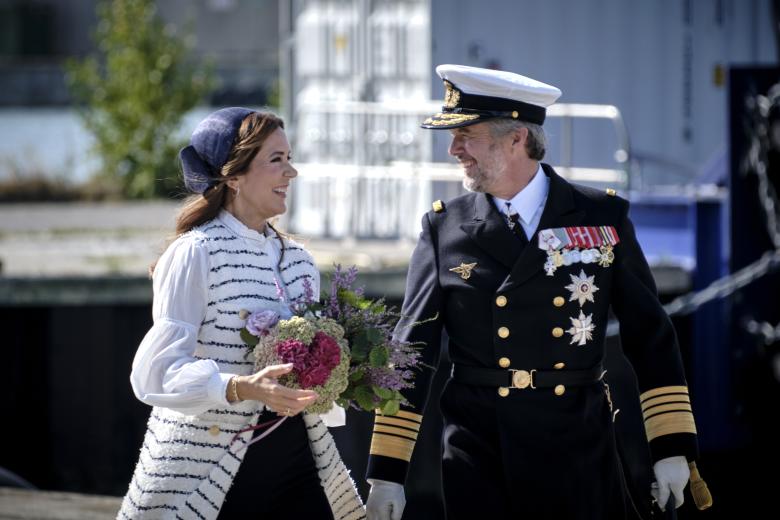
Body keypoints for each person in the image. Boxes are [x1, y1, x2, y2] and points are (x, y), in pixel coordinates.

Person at [365, 65, 700, 520]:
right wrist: (387, 471)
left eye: (466, 134)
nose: (453, 149)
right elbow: (413, 349)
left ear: (516, 138)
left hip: (578, 448)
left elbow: (650, 336)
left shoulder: (601, 216)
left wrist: (671, 448)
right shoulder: (444, 227)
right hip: (479, 452)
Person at [118, 107, 365, 520]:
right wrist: (242, 387)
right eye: (276, 160)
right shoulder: (194, 252)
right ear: (233, 176)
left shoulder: (300, 260)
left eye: (289, 158)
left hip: (299, 459)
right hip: (211, 465)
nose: (292, 173)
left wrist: (342, 369)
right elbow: (155, 374)